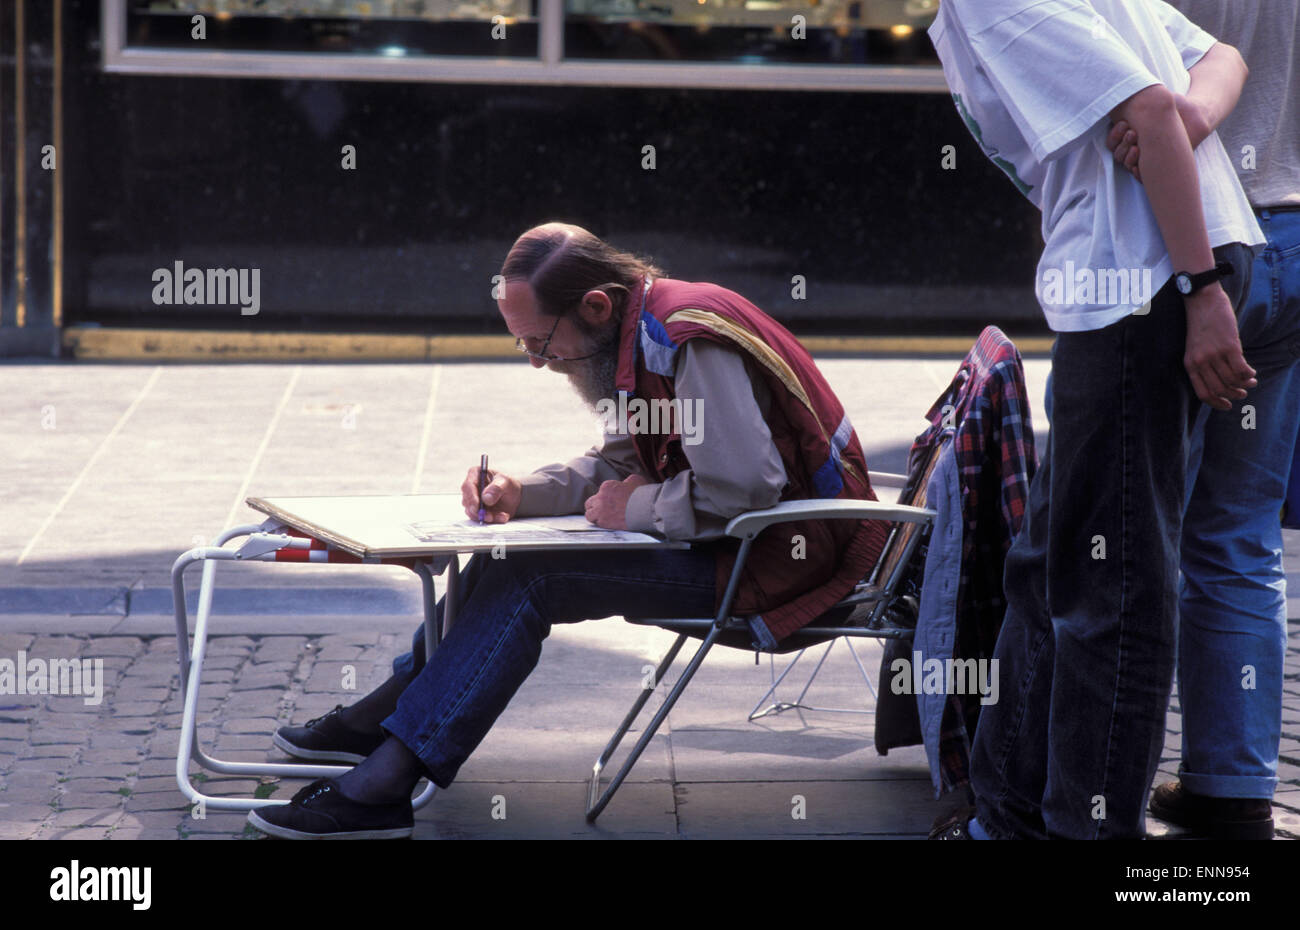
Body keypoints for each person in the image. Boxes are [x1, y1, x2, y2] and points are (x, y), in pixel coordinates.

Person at [247, 222, 890, 839]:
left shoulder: (690, 336)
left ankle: (386, 781)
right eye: (523, 343)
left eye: (540, 341)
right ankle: (384, 717)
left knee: (537, 578)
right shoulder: (639, 333)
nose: (536, 361)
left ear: (594, 307)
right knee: (506, 557)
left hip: (786, 557)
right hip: (738, 541)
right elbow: (621, 462)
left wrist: (632, 511)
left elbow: (747, 488)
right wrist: (522, 492)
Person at [927, 0, 1264, 839]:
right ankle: (1004, 816)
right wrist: (1190, 114)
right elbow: (1218, 57)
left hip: (1142, 284)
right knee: (1050, 563)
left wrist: (1200, 292)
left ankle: (1087, 830)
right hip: (1142, 279)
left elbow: (1152, 107)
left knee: (1112, 588)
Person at [1111, 0, 1300, 841]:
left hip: (1192, 236)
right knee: (1239, 531)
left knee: (1121, 533)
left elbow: (1135, 118)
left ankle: (1094, 789)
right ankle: (1231, 786)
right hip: (1293, 236)